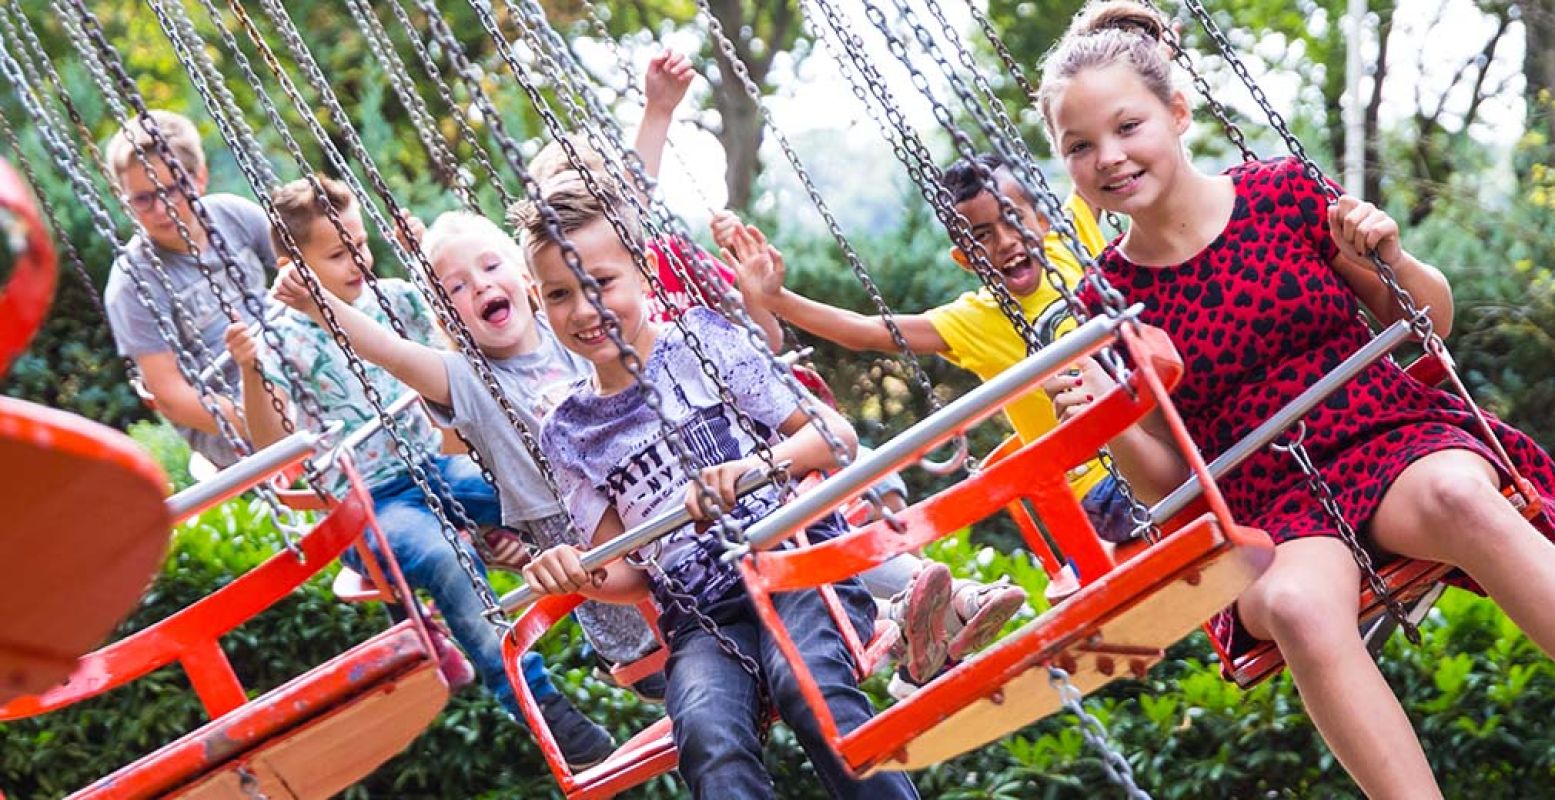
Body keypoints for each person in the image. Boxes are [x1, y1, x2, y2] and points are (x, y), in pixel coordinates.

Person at [1036, 2, 1555, 796]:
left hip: (1384, 438)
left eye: (1126, 127)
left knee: (1461, 493)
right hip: (1264, 501)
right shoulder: (1103, 300)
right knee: (1299, 609)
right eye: (1079, 146)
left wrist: (1387, 255)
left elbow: (1424, 322)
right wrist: (1108, 419)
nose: (1108, 157)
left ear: (1176, 113)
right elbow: (1164, 482)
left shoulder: (1280, 193)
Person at [513, 175, 919, 800]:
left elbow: (831, 436)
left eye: (602, 283)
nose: (585, 310)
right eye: (561, 294)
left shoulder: (700, 341)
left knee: (806, 686)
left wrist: (756, 469)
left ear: (645, 271)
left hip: (795, 565)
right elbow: (630, 574)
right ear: (540, 307)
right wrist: (577, 571)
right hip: (701, 616)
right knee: (705, 733)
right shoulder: (567, 432)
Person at [225, 175, 615, 769]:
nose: (358, 258)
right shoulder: (279, 341)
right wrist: (252, 372)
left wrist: (427, 257)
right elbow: (267, 446)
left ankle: (621, 620)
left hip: (435, 467)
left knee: (532, 487)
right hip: (372, 506)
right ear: (292, 265)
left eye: (360, 242)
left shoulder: (398, 298)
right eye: (337, 253)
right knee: (443, 558)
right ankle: (541, 705)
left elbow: (448, 361)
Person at [267, 207, 665, 700]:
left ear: (527, 279)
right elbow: (387, 350)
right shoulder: (466, 380)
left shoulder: (579, 336)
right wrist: (319, 303)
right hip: (597, 569)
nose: (478, 286)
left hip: (652, 500)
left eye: (491, 267)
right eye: (456, 287)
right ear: (445, 316)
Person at [716, 154, 1139, 551]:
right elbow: (866, 332)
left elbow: (1098, 162)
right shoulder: (974, 320)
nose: (1006, 242)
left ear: (1043, 218)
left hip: (1151, 434)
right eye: (982, 237)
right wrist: (778, 299)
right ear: (964, 259)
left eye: (1013, 220)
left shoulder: (1070, 243)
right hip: (1102, 490)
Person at [102, 109, 272, 468]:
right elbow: (172, 397)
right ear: (124, 201)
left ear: (200, 178)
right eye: (143, 199)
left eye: (173, 189)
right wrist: (258, 420)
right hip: (230, 418)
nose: (162, 209)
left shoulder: (235, 216)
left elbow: (307, 275)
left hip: (287, 366)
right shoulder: (133, 283)